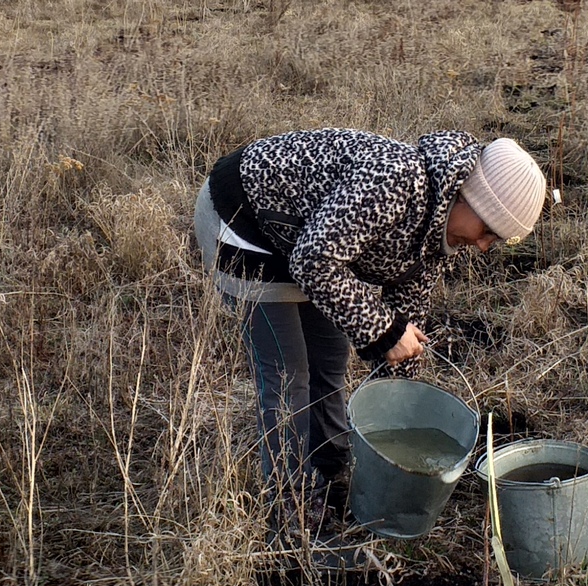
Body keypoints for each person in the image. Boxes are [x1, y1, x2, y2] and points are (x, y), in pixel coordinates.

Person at [193, 128, 546, 535]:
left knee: (329, 359)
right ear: (467, 196)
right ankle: (292, 509)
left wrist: (400, 414)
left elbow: (404, 314)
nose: (484, 246)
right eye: (486, 231)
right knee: (288, 376)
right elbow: (313, 262)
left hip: (309, 239)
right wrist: (383, 329)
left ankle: (333, 467)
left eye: (495, 241)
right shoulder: (396, 181)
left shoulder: (439, 231)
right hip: (244, 220)